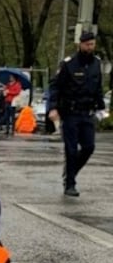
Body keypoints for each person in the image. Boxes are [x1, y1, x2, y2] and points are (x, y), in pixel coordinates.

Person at [48, 31, 105, 198]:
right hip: (71, 113)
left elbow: (98, 87)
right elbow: (55, 86)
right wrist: (53, 107)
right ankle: (70, 184)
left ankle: (70, 171)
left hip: (87, 113)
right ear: (80, 44)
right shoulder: (69, 64)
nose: (90, 47)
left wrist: (101, 107)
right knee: (71, 150)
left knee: (89, 147)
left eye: (92, 44)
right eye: (87, 44)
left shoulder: (96, 64)